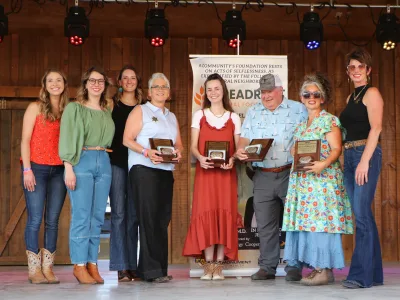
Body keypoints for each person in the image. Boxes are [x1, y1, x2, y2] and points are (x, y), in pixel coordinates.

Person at [282, 73, 353, 286]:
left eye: (316, 94)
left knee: (321, 225)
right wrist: (295, 149)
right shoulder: (301, 124)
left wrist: (322, 164)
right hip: (303, 184)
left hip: (322, 182)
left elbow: (336, 148)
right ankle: (317, 269)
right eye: (307, 94)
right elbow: (298, 151)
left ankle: (323, 269)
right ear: (301, 98)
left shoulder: (329, 120)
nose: (311, 97)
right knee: (308, 225)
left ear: (322, 98)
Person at [235, 73, 307, 280]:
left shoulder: (298, 109)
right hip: (262, 174)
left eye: (269, 91)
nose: (266, 96)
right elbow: (244, 140)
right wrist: (241, 151)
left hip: (290, 173)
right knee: (265, 224)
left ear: (280, 90)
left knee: (293, 222)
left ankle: (294, 266)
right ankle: (267, 267)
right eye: (263, 92)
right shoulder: (254, 111)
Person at [123, 72, 183, 283]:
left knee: (161, 219)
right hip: (144, 170)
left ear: (169, 91)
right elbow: (127, 140)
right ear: (149, 92)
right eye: (156, 86)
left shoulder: (172, 116)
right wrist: (147, 152)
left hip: (165, 171)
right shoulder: (141, 110)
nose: (160, 89)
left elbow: (179, 145)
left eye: (164, 86)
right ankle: (150, 271)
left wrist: (178, 154)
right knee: (148, 219)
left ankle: (159, 269)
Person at [182, 73, 241, 280]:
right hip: (205, 173)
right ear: (205, 93)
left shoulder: (234, 117)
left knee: (223, 214)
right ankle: (208, 266)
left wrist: (232, 159)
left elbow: (238, 146)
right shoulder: (200, 115)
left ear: (223, 90)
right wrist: (199, 158)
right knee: (206, 214)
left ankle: (219, 265)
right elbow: (193, 146)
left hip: (226, 175)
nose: (213, 92)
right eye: (209, 89)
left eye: (216, 88)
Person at [59, 66, 115, 284]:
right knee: (82, 214)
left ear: (105, 86)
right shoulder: (75, 108)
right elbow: (67, 137)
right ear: (85, 84)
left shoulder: (107, 109)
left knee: (98, 216)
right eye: (92, 80)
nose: (96, 84)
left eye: (100, 81)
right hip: (82, 160)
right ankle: (79, 264)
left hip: (105, 160)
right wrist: (68, 166)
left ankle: (93, 263)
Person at [339, 48, 384, 289]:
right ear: (348, 72)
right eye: (352, 67)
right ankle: (375, 274)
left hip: (365, 155)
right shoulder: (350, 98)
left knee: (362, 215)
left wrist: (365, 160)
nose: (356, 71)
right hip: (350, 155)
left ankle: (359, 276)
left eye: (360, 67)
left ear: (368, 70)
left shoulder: (372, 93)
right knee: (363, 214)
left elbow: (375, 129)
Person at [21, 69, 69, 284]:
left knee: (52, 220)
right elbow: (25, 140)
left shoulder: (69, 110)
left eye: (59, 80)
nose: (55, 84)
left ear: (64, 84)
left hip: (59, 170)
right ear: (45, 85)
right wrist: (27, 170)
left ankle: (48, 268)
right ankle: (34, 270)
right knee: (34, 220)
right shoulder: (35, 107)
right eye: (51, 80)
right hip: (37, 169)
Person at [109, 65, 142, 282]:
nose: (129, 81)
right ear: (120, 82)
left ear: (138, 81)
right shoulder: (112, 104)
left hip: (137, 164)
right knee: (119, 214)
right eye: (125, 78)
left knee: (134, 217)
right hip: (116, 163)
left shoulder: (143, 108)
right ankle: (121, 266)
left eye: (133, 77)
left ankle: (132, 265)